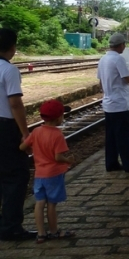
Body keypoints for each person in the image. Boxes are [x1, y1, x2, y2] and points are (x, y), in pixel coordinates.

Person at [19, 100, 75, 244]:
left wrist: (29, 147)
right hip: (54, 175)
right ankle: (54, 231)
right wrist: (68, 160)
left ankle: (41, 234)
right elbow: (58, 157)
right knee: (51, 204)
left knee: (39, 203)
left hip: (39, 175)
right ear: (58, 118)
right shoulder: (57, 135)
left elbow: (22, 147)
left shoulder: (36, 131)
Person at [0, 28, 37, 241]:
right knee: (15, 176)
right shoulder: (9, 70)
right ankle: (11, 226)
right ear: (12, 48)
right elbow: (15, 103)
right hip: (5, 128)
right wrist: (25, 133)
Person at [97, 33, 129, 174]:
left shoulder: (103, 59)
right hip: (120, 104)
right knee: (124, 137)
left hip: (108, 103)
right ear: (121, 45)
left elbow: (100, 83)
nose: (124, 47)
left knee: (111, 136)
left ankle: (111, 163)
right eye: (124, 44)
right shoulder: (118, 59)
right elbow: (128, 79)